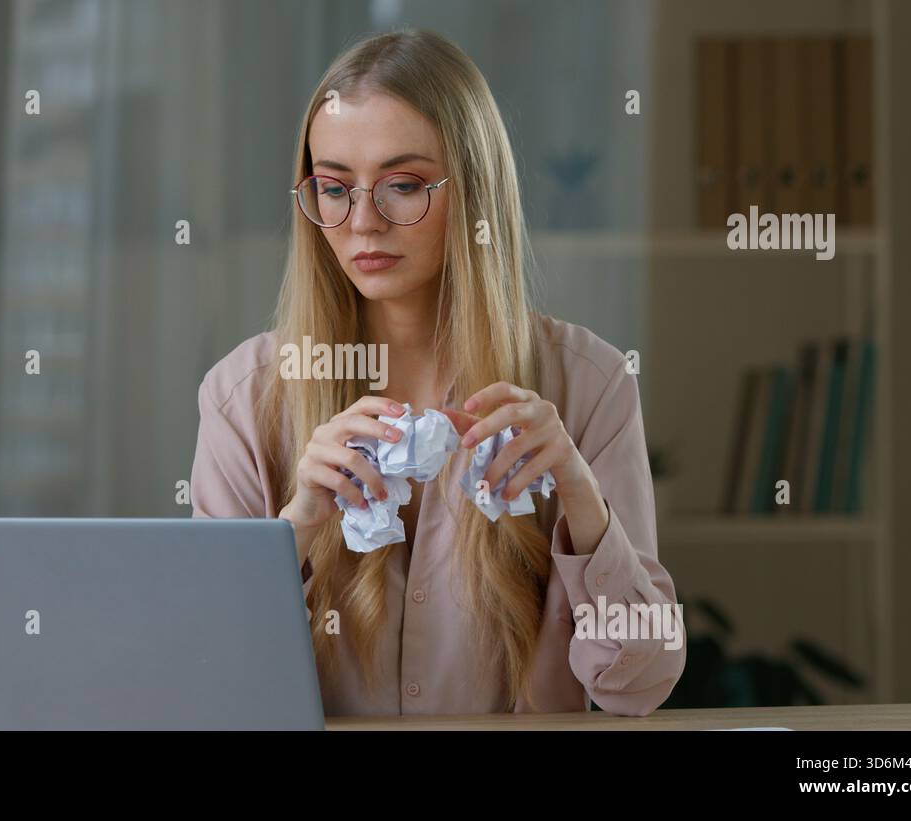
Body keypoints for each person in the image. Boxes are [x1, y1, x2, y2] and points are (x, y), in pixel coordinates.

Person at [190, 28, 685, 716]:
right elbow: (203, 679)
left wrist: (581, 498)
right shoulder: (242, 395)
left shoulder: (590, 383)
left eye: (403, 185)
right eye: (334, 187)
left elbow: (640, 682)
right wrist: (296, 525)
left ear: (474, 192)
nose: (363, 222)